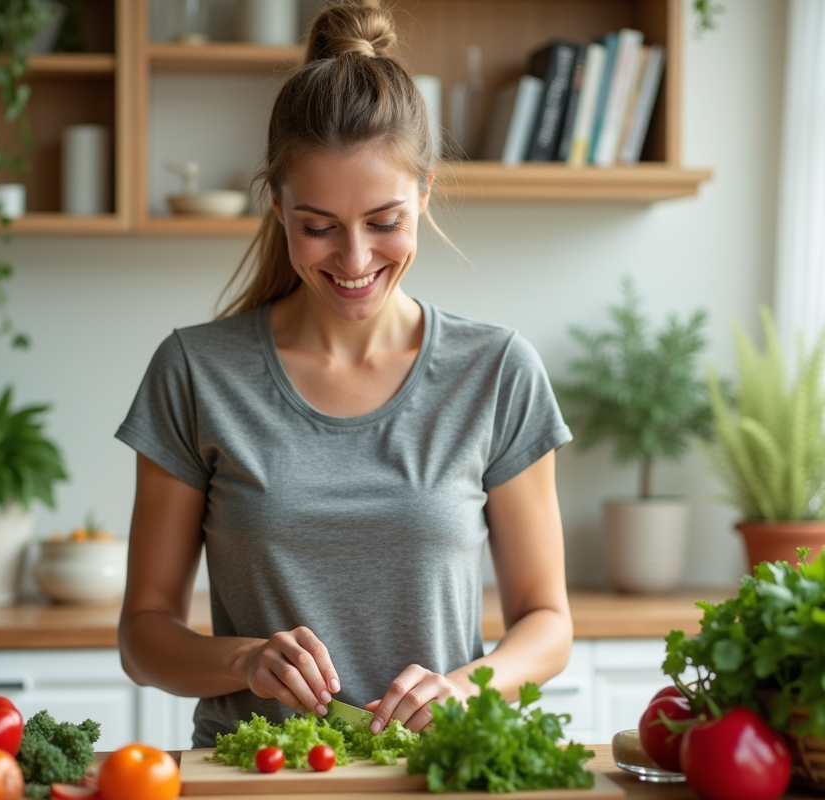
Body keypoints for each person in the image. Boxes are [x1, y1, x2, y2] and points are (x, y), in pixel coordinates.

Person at [115, 1, 573, 749]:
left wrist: (464, 688)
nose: (355, 261)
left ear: (425, 193)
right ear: (277, 206)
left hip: (432, 777)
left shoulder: (496, 372)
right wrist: (245, 658)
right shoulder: (195, 373)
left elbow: (547, 624)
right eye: (319, 226)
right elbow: (143, 636)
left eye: (384, 221)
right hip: (255, 779)